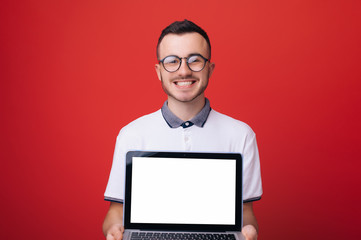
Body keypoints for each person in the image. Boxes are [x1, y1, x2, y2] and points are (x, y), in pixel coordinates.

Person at [103, 19, 262, 240]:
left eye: (195, 60)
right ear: (159, 71)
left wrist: (249, 231)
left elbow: (246, 215)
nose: (184, 71)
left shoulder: (241, 135)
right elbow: (116, 211)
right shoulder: (131, 135)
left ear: (210, 69)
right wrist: (113, 229)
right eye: (172, 61)